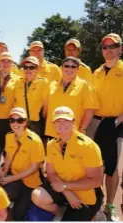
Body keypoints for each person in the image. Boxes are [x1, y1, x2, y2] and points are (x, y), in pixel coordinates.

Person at [32, 106, 103, 221]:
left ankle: (95, 214)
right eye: (58, 121)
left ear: (73, 122)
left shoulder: (88, 146)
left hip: (87, 194)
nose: (62, 124)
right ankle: (60, 214)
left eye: (66, 121)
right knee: (37, 196)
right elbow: (50, 173)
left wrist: (65, 186)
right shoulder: (51, 145)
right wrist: (66, 191)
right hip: (63, 187)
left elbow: (95, 181)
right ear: (53, 124)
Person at [86, 33, 123, 221]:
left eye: (113, 46)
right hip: (95, 123)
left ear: (120, 48)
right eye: (105, 47)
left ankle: (110, 205)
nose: (108, 50)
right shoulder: (97, 72)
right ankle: (97, 203)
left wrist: (118, 120)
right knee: (94, 165)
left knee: (112, 167)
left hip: (114, 123)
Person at [0, 107, 45, 221]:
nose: (15, 123)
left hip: (30, 182)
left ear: (25, 122)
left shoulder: (35, 140)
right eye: (12, 120)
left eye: (20, 120)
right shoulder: (9, 136)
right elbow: (8, 157)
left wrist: (11, 178)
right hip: (14, 177)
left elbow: (34, 168)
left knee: (18, 216)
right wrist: (3, 171)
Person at [45, 56, 99, 139]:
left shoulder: (84, 85)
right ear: (61, 68)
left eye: (73, 66)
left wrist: (83, 128)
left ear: (77, 70)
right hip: (53, 131)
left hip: (73, 132)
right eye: (66, 66)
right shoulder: (52, 85)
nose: (69, 69)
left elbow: (90, 109)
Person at [0, 52, 18, 167]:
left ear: (12, 63)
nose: (6, 63)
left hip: (10, 119)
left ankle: (6, 170)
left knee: (9, 147)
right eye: (3, 61)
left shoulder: (18, 79)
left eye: (9, 61)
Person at [14, 56, 49, 137]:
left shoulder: (43, 82)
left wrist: (42, 120)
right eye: (25, 67)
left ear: (37, 69)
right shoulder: (18, 82)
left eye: (31, 67)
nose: (28, 70)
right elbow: (15, 101)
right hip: (20, 122)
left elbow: (45, 105)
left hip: (35, 123)